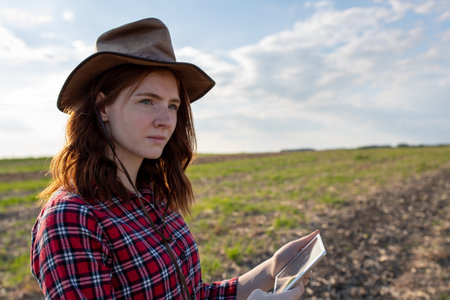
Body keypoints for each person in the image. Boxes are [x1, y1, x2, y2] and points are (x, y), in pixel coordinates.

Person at [30, 18, 317, 299]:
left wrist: (271, 270)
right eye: (147, 101)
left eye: (172, 105)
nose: (166, 120)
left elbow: (191, 294)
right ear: (103, 106)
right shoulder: (72, 217)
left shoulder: (151, 197)